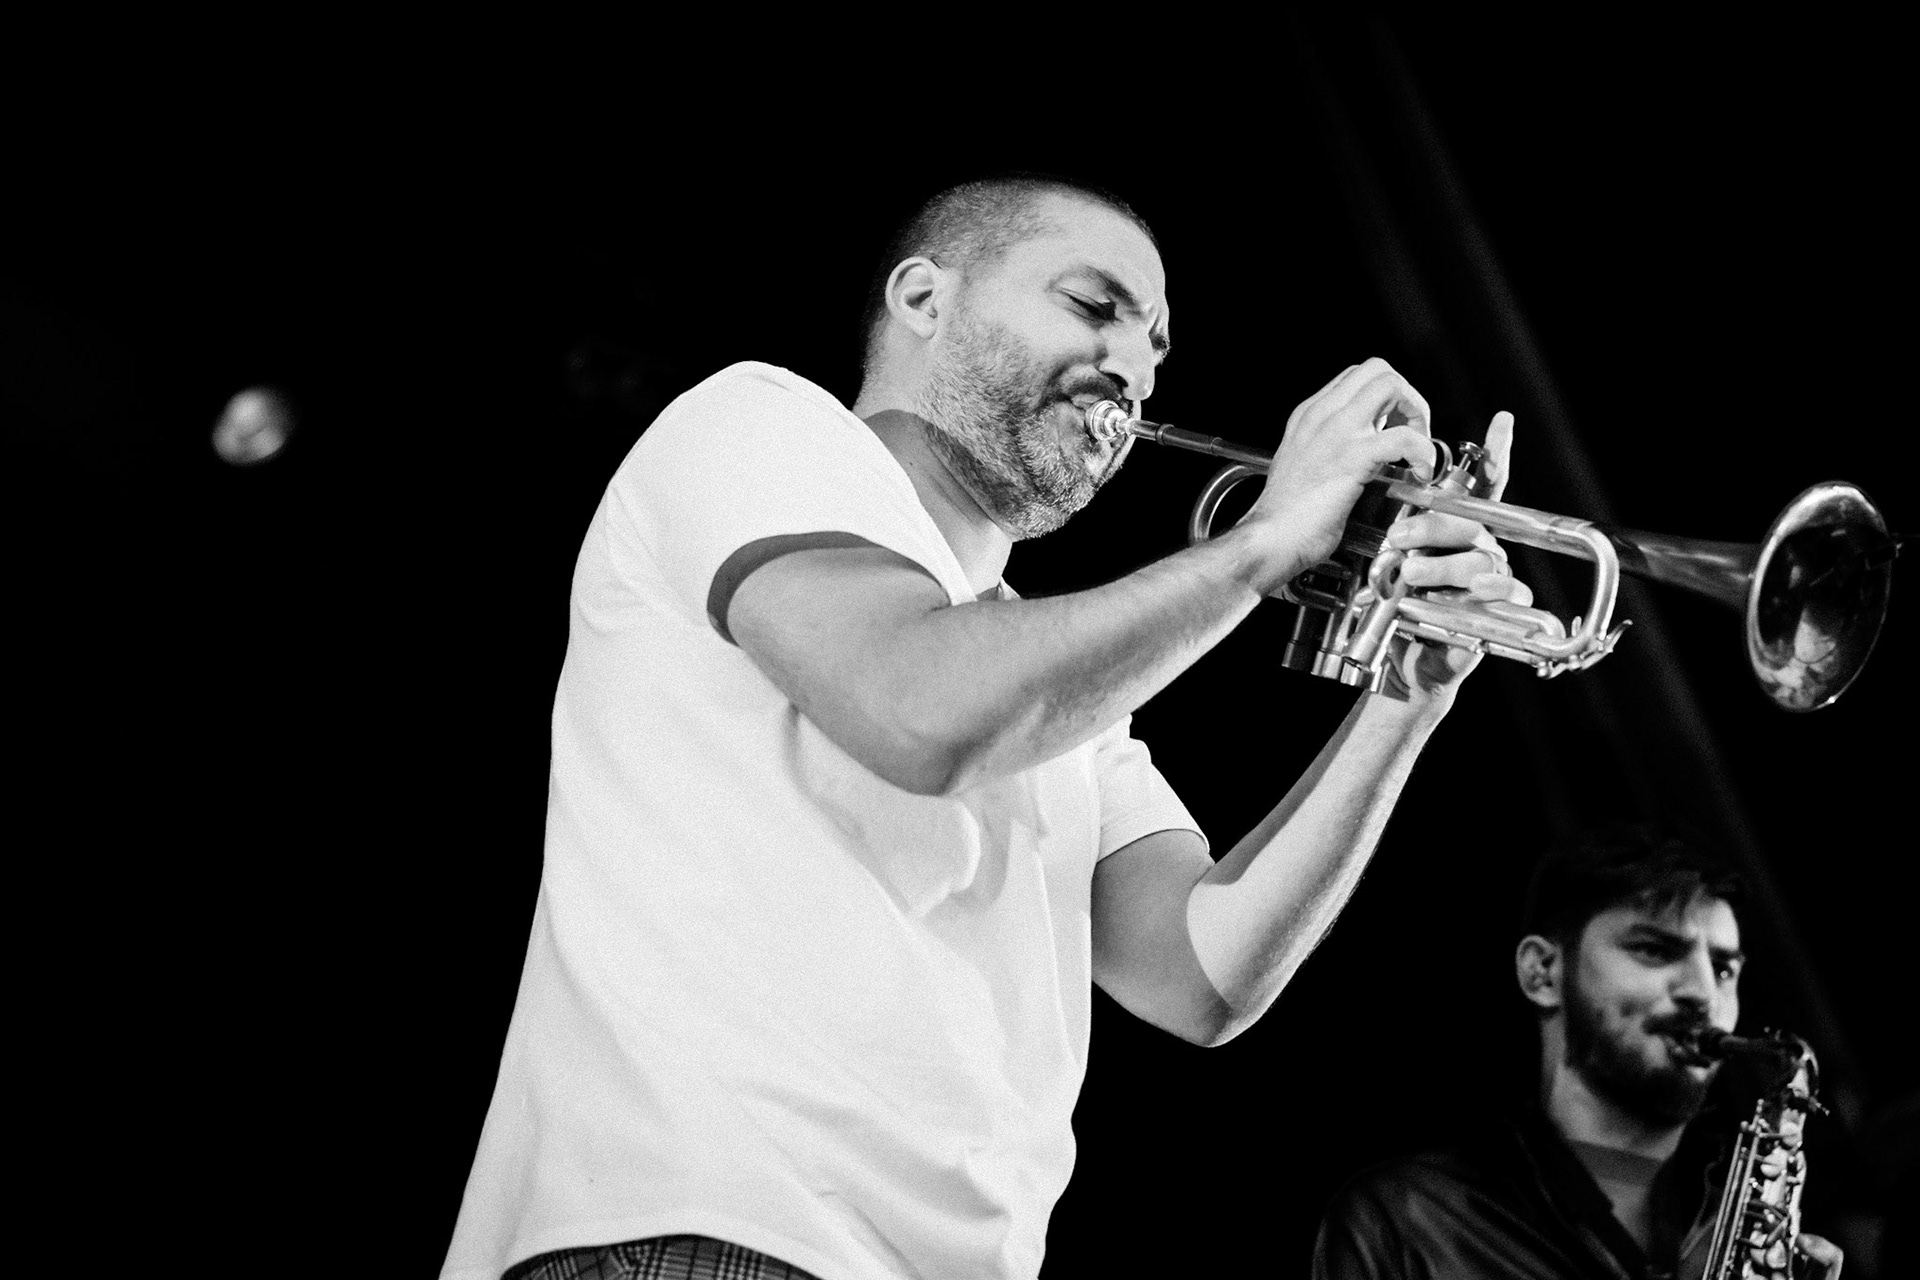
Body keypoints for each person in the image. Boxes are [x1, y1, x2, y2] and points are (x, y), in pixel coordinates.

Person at [441, 173, 1529, 1280]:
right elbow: (917, 711)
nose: (1135, 369)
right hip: (710, 1227)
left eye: (1157, 347)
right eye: (1094, 306)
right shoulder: (752, 423)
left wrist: (1409, 693)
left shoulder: (1047, 676)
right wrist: (1264, 544)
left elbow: (1202, 974)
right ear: (924, 298)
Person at [1311, 823, 1845, 1279]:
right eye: (1655, 949)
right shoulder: (1406, 1219)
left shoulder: (1765, 1222)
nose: (1704, 993)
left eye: (1724, 969)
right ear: (1542, 972)